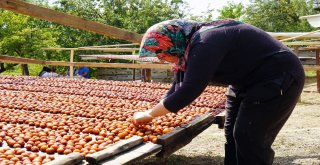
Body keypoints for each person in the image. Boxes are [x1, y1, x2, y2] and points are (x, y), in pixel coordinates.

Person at [132, 19, 305, 165]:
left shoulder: (205, 42)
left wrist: (150, 114)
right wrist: (157, 109)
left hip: (278, 75)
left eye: (160, 51)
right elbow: (178, 87)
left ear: (171, 42)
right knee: (231, 133)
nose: (159, 58)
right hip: (245, 81)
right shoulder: (188, 48)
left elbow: (190, 89)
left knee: (248, 135)